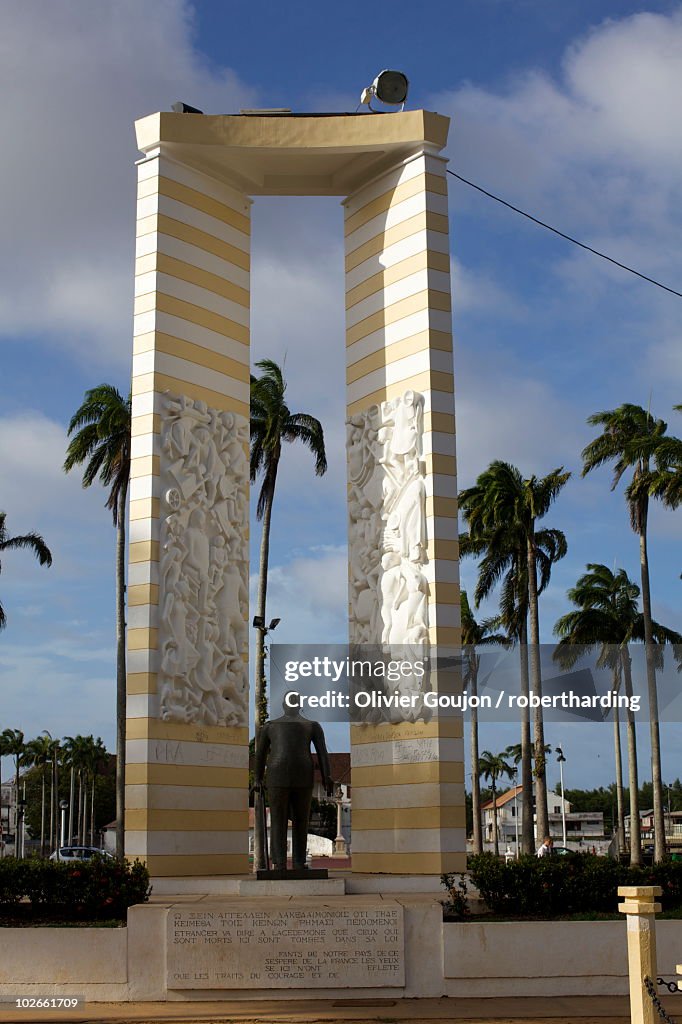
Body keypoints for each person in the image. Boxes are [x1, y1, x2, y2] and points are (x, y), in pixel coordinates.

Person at [254, 696, 333, 871]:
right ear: (299, 705)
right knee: (300, 819)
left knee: (278, 819)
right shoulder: (312, 725)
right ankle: (297, 862)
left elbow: (260, 755)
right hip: (301, 775)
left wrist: (258, 778)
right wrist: (327, 777)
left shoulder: (270, 726)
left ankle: (280, 862)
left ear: (283, 706)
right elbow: (323, 753)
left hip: (278, 775)